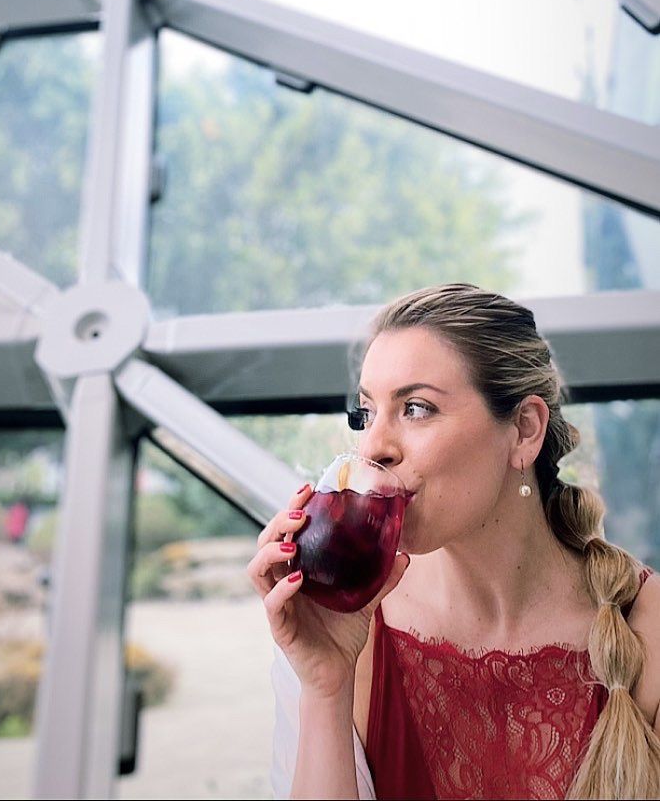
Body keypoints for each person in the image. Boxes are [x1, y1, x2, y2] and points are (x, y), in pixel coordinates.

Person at [249, 284, 660, 800]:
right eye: (366, 413)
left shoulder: (648, 630)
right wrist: (325, 686)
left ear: (525, 430)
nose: (373, 446)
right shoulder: (347, 633)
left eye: (416, 408)